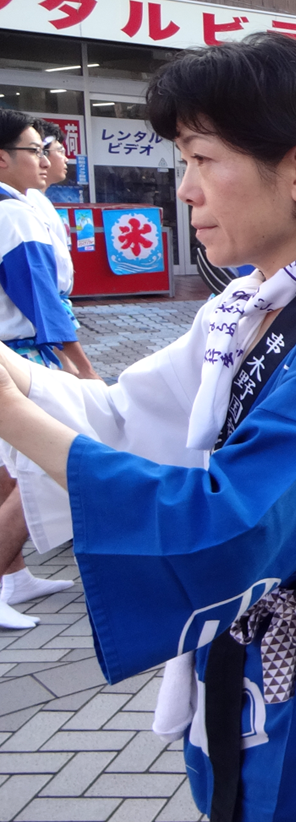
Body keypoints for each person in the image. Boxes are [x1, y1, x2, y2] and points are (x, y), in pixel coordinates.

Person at [0, 33, 296, 818]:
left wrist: (10, 412)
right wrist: (15, 379)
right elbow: (123, 419)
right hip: (255, 650)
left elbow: (238, 518)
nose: (185, 190)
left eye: (203, 160)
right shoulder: (243, 305)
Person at [0, 109, 86, 629]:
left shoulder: (19, 206)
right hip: (23, 355)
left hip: (15, 350)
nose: (45, 157)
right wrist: (80, 364)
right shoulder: (13, 214)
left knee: (10, 470)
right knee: (33, 468)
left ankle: (14, 574)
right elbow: (40, 300)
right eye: (33, 149)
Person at [29, 119, 99, 380]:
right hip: (45, 323)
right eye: (60, 149)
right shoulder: (24, 205)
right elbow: (38, 287)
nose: (66, 157)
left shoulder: (38, 201)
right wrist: (80, 366)